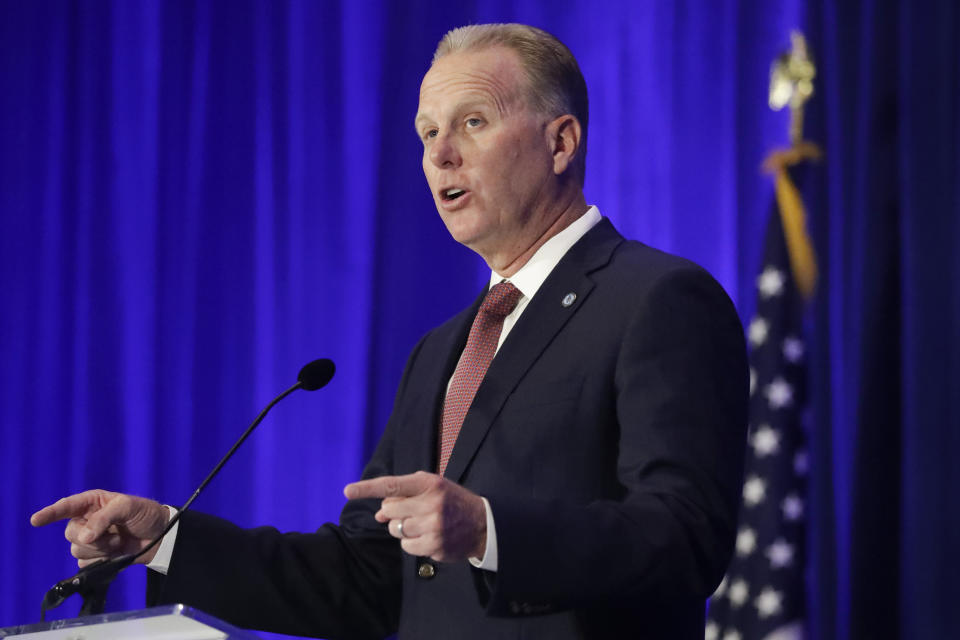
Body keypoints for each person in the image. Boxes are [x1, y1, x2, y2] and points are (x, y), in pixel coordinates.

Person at [31, 23, 748, 639]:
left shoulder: (657, 299)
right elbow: (370, 576)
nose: (440, 155)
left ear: (561, 143)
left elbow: (686, 536)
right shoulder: (442, 350)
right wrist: (167, 539)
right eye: (427, 132)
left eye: (473, 122)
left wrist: (490, 532)